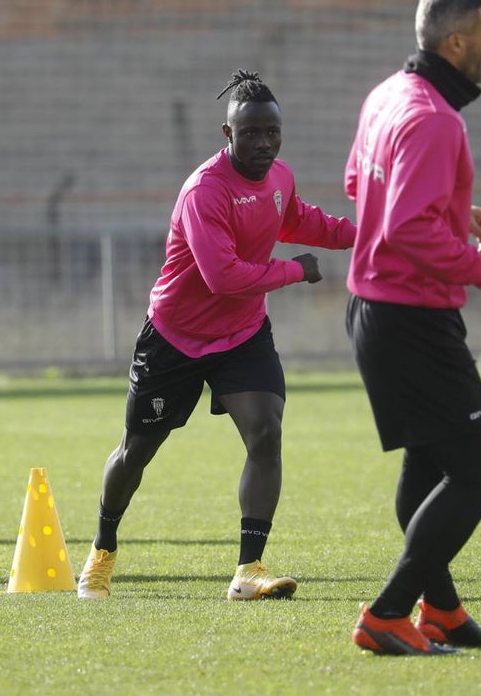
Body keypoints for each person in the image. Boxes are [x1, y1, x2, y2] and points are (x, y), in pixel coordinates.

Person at [76, 70, 356, 601]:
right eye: (251, 133)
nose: (264, 143)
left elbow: (300, 219)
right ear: (227, 134)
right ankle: (102, 550)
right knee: (135, 452)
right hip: (175, 339)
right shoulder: (205, 191)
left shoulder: (279, 177)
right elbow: (222, 277)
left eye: (272, 132)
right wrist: (296, 271)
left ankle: (249, 570)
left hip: (242, 334)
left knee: (266, 432)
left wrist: (367, 235)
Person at [344, 0, 481, 655]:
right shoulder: (435, 119)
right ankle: (387, 615)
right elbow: (405, 228)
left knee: (428, 470)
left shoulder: (388, 95)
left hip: (377, 314)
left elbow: (359, 185)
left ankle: (443, 613)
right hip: (412, 322)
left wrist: (454, 209)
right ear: (456, 43)